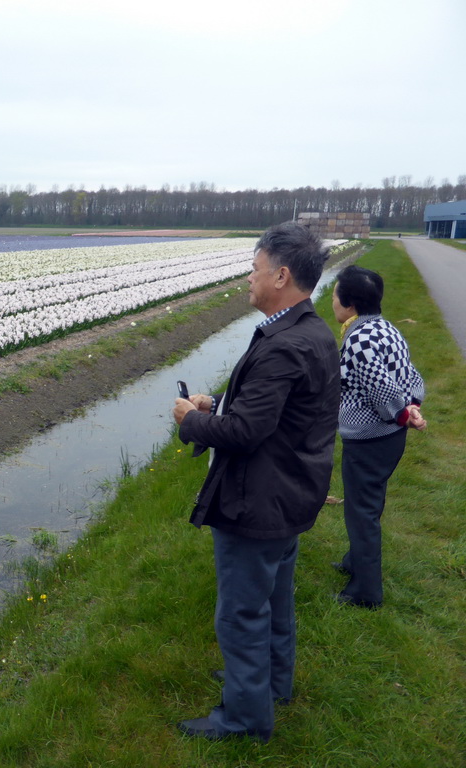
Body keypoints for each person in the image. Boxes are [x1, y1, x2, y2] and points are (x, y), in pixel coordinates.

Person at [171, 222, 340, 742]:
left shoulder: (283, 345)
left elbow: (246, 432)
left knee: (242, 614)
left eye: (254, 268)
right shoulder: (308, 332)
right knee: (274, 602)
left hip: (258, 501)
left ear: (281, 275)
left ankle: (244, 718)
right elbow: (275, 416)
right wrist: (215, 404)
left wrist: (188, 420)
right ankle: (270, 684)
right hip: (290, 494)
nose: (248, 277)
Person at [331, 265, 425, 608]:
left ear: (350, 303)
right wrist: (412, 406)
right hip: (389, 438)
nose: (332, 300)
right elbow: (411, 374)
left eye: (334, 294)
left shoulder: (359, 339)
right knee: (369, 505)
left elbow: (380, 388)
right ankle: (354, 562)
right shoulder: (388, 329)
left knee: (361, 513)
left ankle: (365, 593)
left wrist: (401, 412)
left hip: (370, 440)